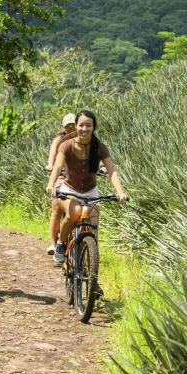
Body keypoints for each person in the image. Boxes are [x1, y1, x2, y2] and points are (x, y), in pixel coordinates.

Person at [46, 109, 127, 264]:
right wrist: (51, 185)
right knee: (75, 212)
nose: (84, 129)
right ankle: (61, 244)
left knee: (93, 234)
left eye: (88, 125)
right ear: (76, 126)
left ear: (93, 127)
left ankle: (92, 280)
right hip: (69, 190)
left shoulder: (100, 148)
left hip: (91, 192)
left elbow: (112, 172)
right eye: (81, 125)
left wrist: (119, 192)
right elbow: (57, 167)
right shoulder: (66, 145)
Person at [46, 113, 77, 256]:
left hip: (78, 179)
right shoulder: (59, 140)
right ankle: (53, 244)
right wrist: (50, 164)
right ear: (63, 127)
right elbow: (53, 153)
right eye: (68, 126)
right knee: (57, 208)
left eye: (73, 125)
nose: (71, 128)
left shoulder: (83, 139)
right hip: (62, 176)